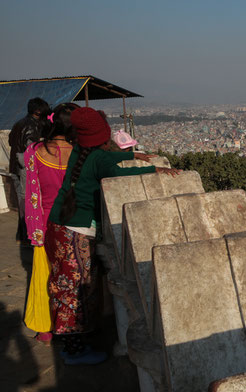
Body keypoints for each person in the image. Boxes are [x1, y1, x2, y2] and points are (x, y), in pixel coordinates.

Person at [45, 107, 178, 365]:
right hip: (78, 231)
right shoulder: (99, 160)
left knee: (63, 286)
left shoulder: (80, 153)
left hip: (59, 224)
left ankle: (70, 343)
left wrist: (133, 154)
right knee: (77, 290)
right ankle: (75, 350)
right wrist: (153, 170)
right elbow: (118, 173)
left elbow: (106, 161)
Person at [23, 103, 79, 345]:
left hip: (44, 223)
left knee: (44, 275)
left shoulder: (34, 152)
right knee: (73, 277)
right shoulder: (81, 153)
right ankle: (72, 326)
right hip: (75, 222)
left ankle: (45, 328)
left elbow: (31, 194)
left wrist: (34, 231)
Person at [9, 98, 51, 242]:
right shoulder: (32, 127)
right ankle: (28, 232)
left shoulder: (18, 124)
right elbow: (31, 149)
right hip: (25, 169)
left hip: (15, 167)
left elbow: (10, 141)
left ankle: (23, 233)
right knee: (28, 201)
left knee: (22, 200)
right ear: (38, 111)